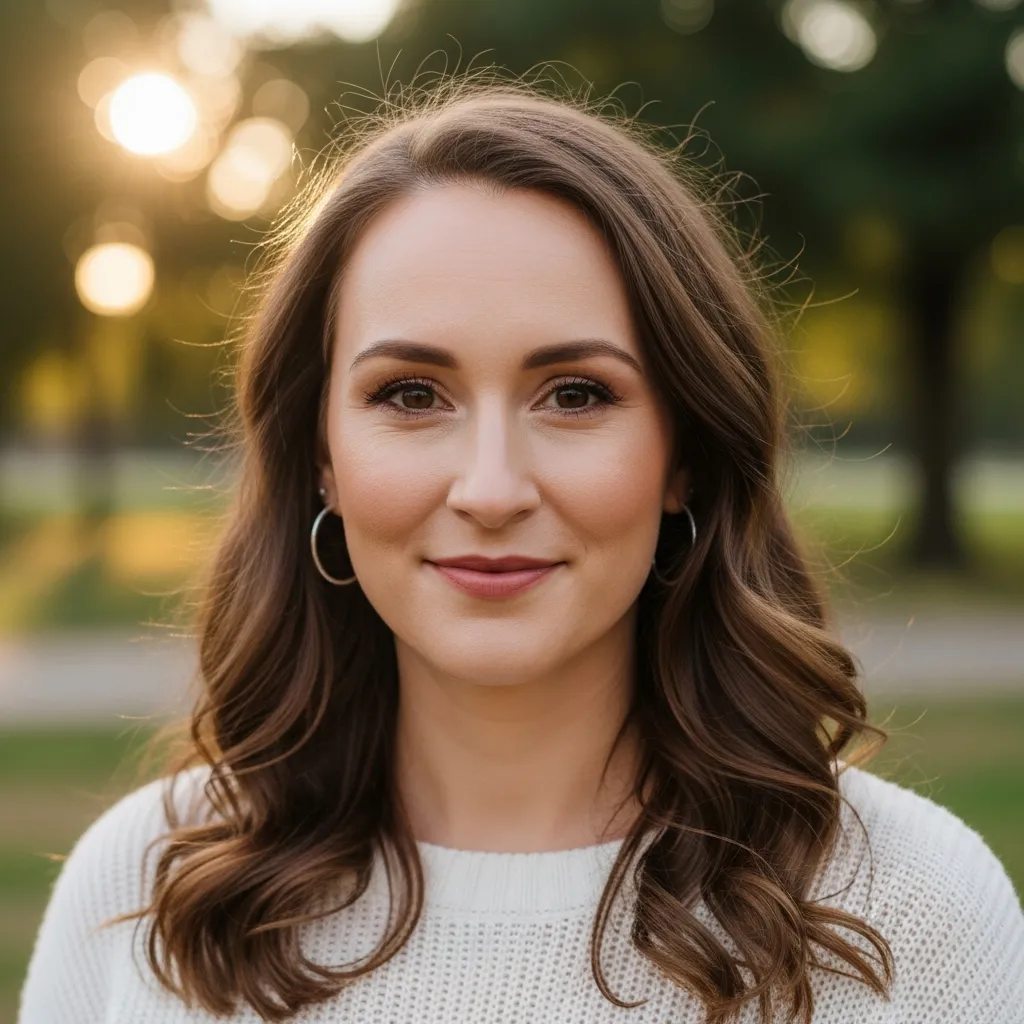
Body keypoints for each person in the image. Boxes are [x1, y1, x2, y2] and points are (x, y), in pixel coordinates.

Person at [18, 76, 1024, 1024]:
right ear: (317, 453)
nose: (491, 490)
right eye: (410, 394)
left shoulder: (909, 912)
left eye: (575, 393)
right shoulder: (144, 890)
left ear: (684, 454)